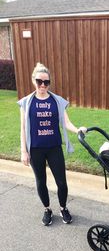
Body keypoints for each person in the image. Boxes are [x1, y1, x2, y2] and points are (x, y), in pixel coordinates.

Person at [18, 62, 87, 226]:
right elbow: (23, 128)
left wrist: (78, 130)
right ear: (33, 81)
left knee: (61, 182)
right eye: (39, 81)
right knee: (41, 181)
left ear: (49, 83)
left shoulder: (57, 101)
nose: (42, 85)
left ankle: (63, 208)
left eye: (46, 82)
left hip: (54, 147)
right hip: (35, 149)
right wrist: (24, 151)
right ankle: (47, 209)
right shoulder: (27, 103)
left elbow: (66, 122)